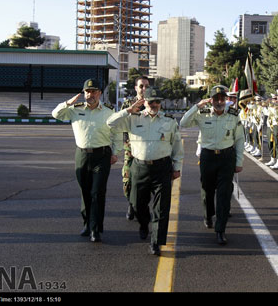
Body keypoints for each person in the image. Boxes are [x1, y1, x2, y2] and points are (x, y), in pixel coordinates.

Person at [108, 88, 183, 255]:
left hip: (162, 168)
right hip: (139, 167)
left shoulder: (169, 121)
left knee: (161, 208)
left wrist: (177, 167)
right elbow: (110, 123)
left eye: (157, 102)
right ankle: (143, 223)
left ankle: (156, 242)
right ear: (144, 102)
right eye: (151, 102)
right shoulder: (133, 119)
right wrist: (128, 110)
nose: (154, 105)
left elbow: (177, 146)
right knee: (136, 203)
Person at [51, 79, 120, 243]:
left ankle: (96, 229)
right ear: (84, 93)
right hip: (82, 155)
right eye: (88, 91)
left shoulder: (109, 111)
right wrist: (68, 103)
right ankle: (87, 224)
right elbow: (56, 114)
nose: (91, 94)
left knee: (97, 192)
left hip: (102, 155)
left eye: (94, 91)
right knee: (85, 191)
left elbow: (117, 132)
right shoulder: (74, 110)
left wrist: (116, 152)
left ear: (100, 93)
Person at [180, 85, 245, 245]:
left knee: (224, 194)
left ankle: (220, 229)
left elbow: (239, 139)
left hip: (226, 157)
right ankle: (208, 214)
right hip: (208, 157)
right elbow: (183, 122)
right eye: (216, 99)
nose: (219, 101)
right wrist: (198, 105)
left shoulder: (233, 115)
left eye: (222, 98)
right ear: (211, 100)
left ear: (226, 100)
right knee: (207, 190)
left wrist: (239, 161)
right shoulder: (202, 114)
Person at [120, 76, 150, 221]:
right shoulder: (128, 103)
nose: (144, 89)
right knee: (127, 181)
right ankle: (131, 203)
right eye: (141, 86)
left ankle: (141, 206)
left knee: (146, 183)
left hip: (147, 149)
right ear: (136, 88)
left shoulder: (152, 103)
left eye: (146, 86)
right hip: (130, 149)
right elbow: (120, 122)